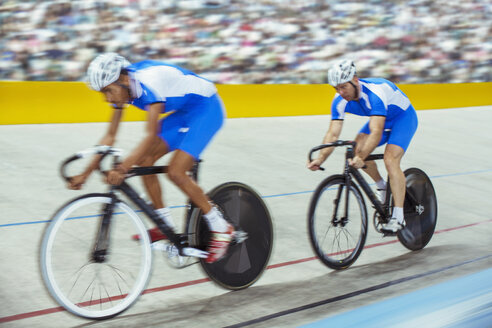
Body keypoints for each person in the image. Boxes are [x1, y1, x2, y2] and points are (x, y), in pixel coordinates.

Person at [68, 52, 233, 263]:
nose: (108, 99)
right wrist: (86, 173)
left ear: (124, 79)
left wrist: (122, 169)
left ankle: (221, 227)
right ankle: (164, 225)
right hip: (184, 112)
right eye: (103, 94)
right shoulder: (124, 89)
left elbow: (150, 135)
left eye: (109, 91)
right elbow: (110, 136)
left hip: (207, 109)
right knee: (144, 161)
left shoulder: (149, 81)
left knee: (176, 172)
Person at [307, 59, 418, 232]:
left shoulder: (375, 94)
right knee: (354, 150)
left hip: (402, 118)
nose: (340, 92)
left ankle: (399, 217)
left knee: (390, 159)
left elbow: (376, 132)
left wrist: (362, 157)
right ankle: (382, 186)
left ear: (355, 80)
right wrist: (320, 158)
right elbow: (333, 134)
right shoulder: (339, 101)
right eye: (336, 88)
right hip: (379, 118)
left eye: (344, 87)